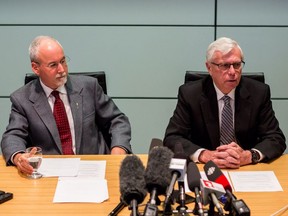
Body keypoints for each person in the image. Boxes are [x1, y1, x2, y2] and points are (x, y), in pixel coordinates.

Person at [1, 35, 132, 175]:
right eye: (53, 65)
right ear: (36, 68)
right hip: (50, 173)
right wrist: (19, 157)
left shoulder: (89, 87)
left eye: (63, 61)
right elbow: (12, 136)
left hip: (93, 167)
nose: (62, 69)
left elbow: (117, 121)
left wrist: (118, 150)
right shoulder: (22, 99)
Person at [164, 37, 286, 169]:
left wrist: (250, 155)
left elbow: (275, 138)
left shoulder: (258, 92)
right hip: (206, 169)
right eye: (225, 65)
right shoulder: (190, 94)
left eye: (237, 65)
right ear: (209, 67)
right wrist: (204, 155)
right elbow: (172, 138)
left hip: (246, 169)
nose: (233, 72)